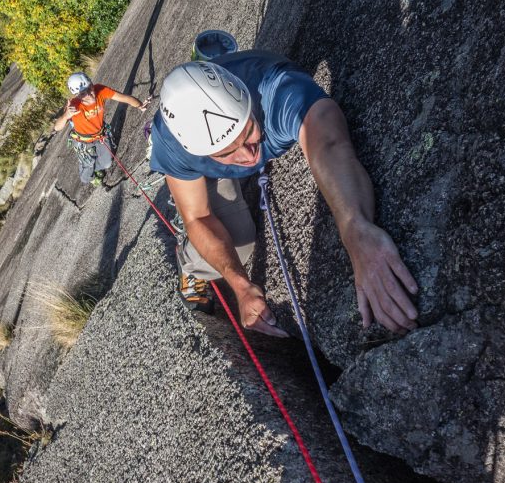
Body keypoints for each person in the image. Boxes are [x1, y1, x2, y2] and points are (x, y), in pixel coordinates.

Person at [150, 50, 418, 336]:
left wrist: (355, 229)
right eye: (228, 151)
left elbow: (328, 143)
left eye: (249, 131)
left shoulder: (277, 88)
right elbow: (199, 217)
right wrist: (240, 286)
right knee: (236, 245)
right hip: (208, 175)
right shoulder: (171, 143)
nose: (249, 154)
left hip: (245, 98)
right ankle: (189, 260)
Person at [54, 71, 149, 186]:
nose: (89, 94)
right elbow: (57, 127)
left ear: (91, 83)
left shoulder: (100, 90)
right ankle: (87, 170)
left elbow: (124, 98)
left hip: (100, 135)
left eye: (89, 88)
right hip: (83, 142)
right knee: (86, 174)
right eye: (83, 93)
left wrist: (139, 105)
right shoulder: (74, 106)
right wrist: (65, 116)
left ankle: (94, 166)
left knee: (107, 164)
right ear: (77, 95)